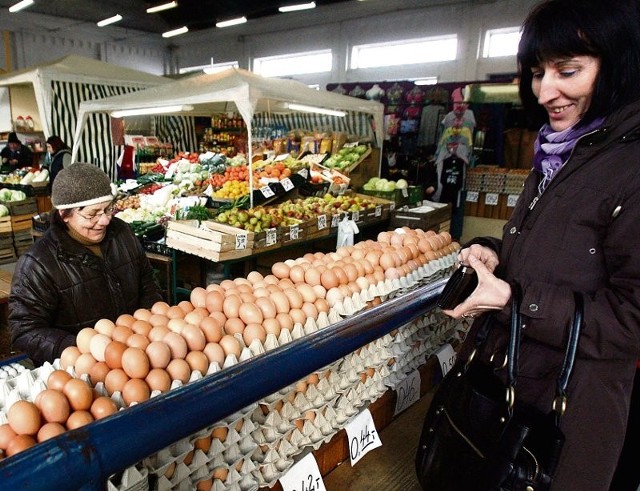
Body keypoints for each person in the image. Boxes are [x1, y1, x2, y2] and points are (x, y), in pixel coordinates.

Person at [442, 0, 640, 489]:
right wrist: (494, 250)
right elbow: (559, 252)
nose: (545, 90)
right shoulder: (561, 151)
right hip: (515, 381)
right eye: (536, 72)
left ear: (618, 64)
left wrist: (514, 298)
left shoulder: (630, 166)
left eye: (568, 71)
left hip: (570, 411)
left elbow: (631, 320)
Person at [9, 162, 162, 366]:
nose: (105, 221)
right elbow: (25, 331)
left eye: (108, 209)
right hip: (81, 366)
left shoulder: (122, 233)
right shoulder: (38, 264)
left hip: (137, 352)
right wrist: (82, 347)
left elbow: (147, 282)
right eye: (92, 214)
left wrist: (150, 323)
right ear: (65, 215)